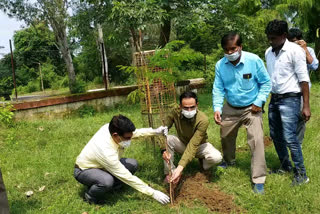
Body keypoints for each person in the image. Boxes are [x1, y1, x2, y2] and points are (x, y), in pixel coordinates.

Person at [212, 32, 271, 194]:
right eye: (226, 50)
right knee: (225, 136)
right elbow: (218, 88)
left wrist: (259, 102)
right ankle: (229, 160)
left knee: (257, 140)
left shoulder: (254, 60)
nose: (230, 53)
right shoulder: (220, 65)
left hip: (252, 108)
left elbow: (266, 83)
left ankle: (258, 179)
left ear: (240, 47)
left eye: (233, 49)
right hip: (231, 107)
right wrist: (217, 108)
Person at [74, 115, 170, 205]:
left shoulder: (111, 128)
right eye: (127, 138)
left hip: (104, 166)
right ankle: (91, 196)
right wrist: (152, 192)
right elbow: (126, 176)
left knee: (133, 164)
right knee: (106, 181)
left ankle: (112, 189)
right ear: (115, 135)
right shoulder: (106, 151)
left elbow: (135, 133)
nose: (129, 140)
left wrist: (155, 131)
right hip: (85, 170)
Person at [265, 20, 311, 185]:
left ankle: (301, 175)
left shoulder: (295, 51)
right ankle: (285, 166)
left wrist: (305, 105)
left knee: (290, 137)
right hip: (274, 98)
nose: (271, 41)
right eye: (269, 38)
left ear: (284, 36)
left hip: (291, 98)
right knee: (275, 135)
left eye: (274, 38)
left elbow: (304, 79)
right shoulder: (268, 52)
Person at [162, 91, 222, 184]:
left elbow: (193, 145)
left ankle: (203, 165)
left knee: (217, 157)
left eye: (192, 107)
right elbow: (162, 130)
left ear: (197, 105)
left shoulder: (203, 120)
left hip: (199, 146)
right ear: (180, 106)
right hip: (182, 143)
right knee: (168, 139)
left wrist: (180, 168)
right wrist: (163, 150)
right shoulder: (175, 113)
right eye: (186, 108)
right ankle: (170, 173)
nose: (189, 110)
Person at [288, 28, 319, 144]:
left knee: (300, 118)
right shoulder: (284, 50)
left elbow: (314, 65)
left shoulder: (307, 49)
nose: (292, 44)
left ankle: (297, 145)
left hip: (302, 89)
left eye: (294, 41)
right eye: (289, 41)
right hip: (287, 89)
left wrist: (304, 49)